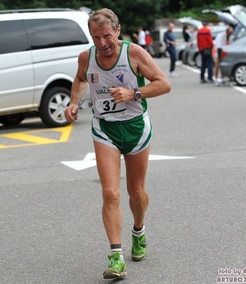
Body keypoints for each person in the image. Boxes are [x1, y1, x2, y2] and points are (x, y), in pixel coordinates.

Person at [64, 8, 171, 280]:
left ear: (118, 31)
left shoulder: (133, 53)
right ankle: (116, 257)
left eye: (107, 36)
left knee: (136, 191)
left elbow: (163, 84)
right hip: (105, 129)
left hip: (135, 128)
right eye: (96, 37)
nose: (102, 43)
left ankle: (139, 231)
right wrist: (74, 102)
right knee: (110, 193)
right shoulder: (86, 58)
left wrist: (133, 92)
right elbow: (79, 79)